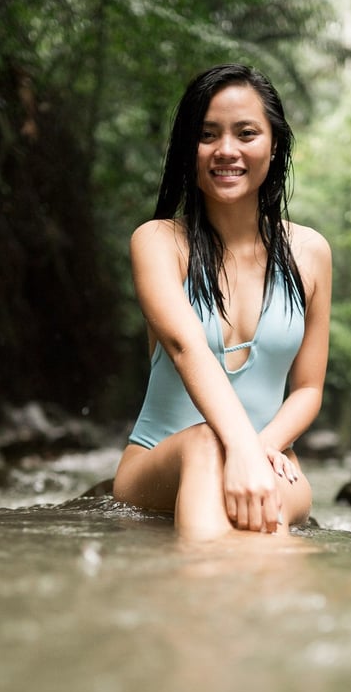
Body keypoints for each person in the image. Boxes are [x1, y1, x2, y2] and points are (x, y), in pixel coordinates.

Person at [112, 63, 331, 541]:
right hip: (161, 458)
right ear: (188, 148)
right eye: (208, 134)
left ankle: (245, 605)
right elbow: (187, 346)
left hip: (273, 455)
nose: (226, 150)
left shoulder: (311, 253)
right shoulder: (158, 242)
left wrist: (258, 448)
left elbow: (309, 389)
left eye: (246, 133)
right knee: (206, 446)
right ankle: (213, 595)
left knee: (258, 506)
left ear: (274, 145)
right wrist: (237, 448)